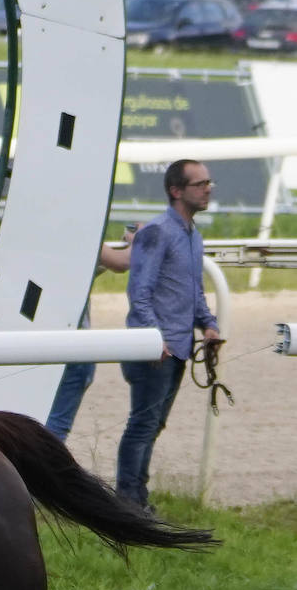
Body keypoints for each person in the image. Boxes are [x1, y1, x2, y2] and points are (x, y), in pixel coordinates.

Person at [115, 159, 221, 511]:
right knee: (143, 424)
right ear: (177, 190)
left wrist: (208, 323)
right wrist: (153, 338)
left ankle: (136, 497)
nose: (208, 188)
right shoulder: (157, 231)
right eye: (200, 183)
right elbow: (139, 292)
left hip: (177, 348)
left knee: (154, 423)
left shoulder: (193, 235)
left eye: (209, 183)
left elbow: (193, 289)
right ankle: (128, 501)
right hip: (154, 350)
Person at [45, 234, 134, 442]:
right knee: (56, 426)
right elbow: (122, 262)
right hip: (74, 346)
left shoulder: (41, 239)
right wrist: (137, 240)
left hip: (37, 342)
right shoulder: (81, 236)